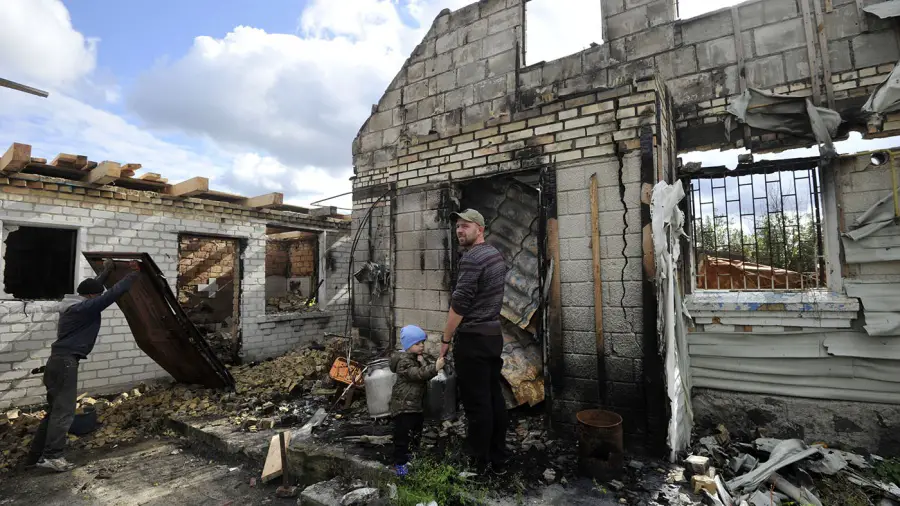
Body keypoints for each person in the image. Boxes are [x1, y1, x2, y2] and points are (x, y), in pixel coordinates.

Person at [26, 259, 141, 472]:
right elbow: (109, 295)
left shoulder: (75, 303)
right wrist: (134, 274)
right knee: (64, 413)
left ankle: (35, 457)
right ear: (90, 297)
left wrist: (106, 272)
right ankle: (52, 456)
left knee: (55, 412)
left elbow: (95, 288)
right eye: (95, 296)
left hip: (57, 362)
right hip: (65, 364)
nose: (96, 297)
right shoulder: (83, 309)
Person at [438, 209, 508, 475]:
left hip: (473, 339)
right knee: (493, 398)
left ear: (480, 229)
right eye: (458, 226)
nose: (459, 230)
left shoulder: (473, 258)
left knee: (477, 404)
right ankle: (498, 459)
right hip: (492, 337)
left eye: (465, 226)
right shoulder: (495, 255)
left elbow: (459, 304)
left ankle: (477, 465)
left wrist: (446, 339)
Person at [389, 325, 445, 477]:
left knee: (415, 432)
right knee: (402, 437)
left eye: (422, 342)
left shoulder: (415, 358)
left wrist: (423, 362)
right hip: (403, 406)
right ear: (408, 345)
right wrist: (435, 367)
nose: (421, 346)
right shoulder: (404, 362)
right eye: (417, 343)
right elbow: (418, 374)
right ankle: (400, 463)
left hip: (415, 405)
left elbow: (421, 371)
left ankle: (410, 456)